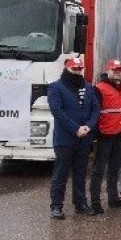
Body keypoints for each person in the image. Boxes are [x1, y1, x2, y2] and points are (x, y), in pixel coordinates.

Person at [48, 57, 100, 219]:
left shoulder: (88, 87)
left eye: (80, 69)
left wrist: (88, 127)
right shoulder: (56, 87)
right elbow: (57, 111)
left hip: (84, 139)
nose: (77, 72)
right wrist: (75, 128)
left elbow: (96, 109)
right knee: (60, 174)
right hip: (65, 139)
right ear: (66, 68)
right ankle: (56, 206)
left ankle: (80, 203)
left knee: (80, 173)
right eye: (74, 69)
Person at [90, 59, 121, 213]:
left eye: (119, 69)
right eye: (114, 69)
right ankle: (95, 202)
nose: (117, 72)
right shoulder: (99, 89)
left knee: (114, 169)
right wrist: (94, 136)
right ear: (108, 71)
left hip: (119, 136)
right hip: (104, 136)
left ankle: (113, 199)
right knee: (98, 170)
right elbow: (95, 113)